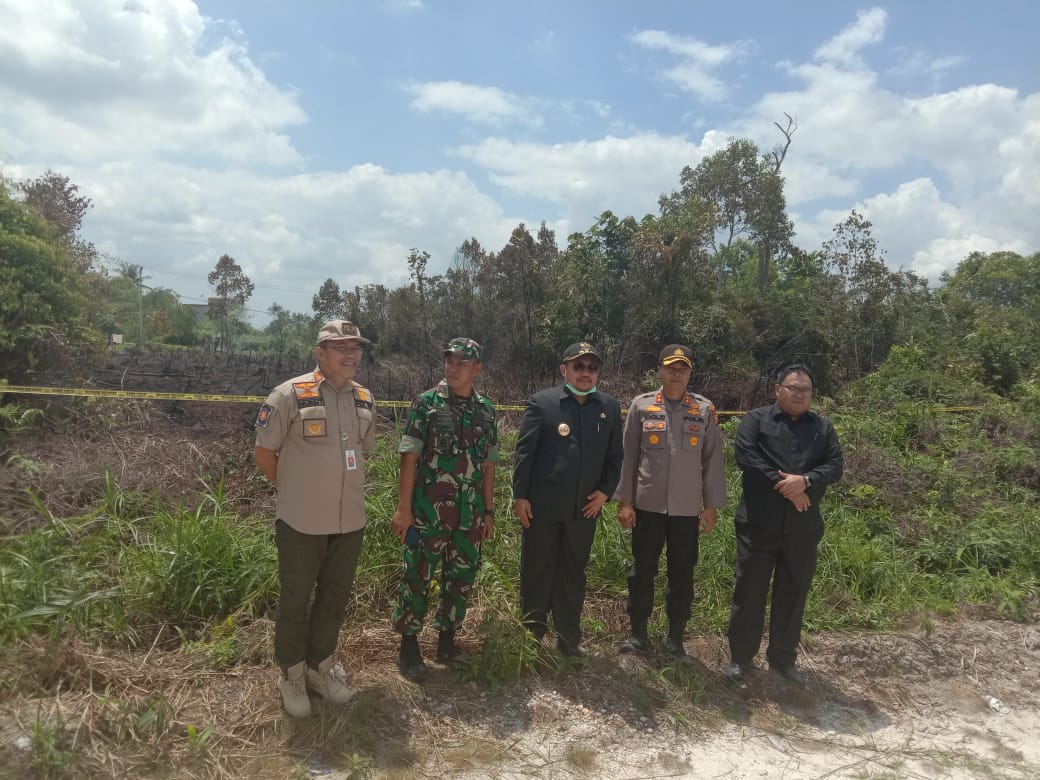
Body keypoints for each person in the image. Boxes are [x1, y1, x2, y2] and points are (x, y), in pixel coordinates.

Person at [253, 320, 376, 717]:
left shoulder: (364, 398)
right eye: (341, 348)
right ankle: (291, 675)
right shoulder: (289, 394)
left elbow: (361, 451)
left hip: (349, 521)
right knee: (295, 601)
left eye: (356, 348)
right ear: (320, 353)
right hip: (301, 522)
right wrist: (294, 491)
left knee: (334, 599)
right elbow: (264, 454)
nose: (351, 355)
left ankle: (320, 669)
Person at [724, 363, 844, 687]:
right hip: (758, 525)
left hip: (802, 527)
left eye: (806, 390)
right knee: (750, 592)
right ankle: (740, 658)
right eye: (793, 388)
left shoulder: (822, 428)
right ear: (778, 389)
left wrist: (806, 481)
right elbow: (747, 457)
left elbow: (835, 466)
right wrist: (788, 488)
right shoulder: (756, 420)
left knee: (793, 594)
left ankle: (783, 659)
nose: (799, 395)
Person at [390, 338, 498, 681]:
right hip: (428, 512)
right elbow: (409, 457)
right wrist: (403, 509)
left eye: (462, 363)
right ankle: (409, 647)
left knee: (461, 578)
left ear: (477, 369)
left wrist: (489, 511)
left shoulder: (486, 410)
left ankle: (447, 642)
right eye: (450, 361)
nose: (453, 368)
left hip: (470, 515)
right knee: (417, 577)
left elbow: (489, 465)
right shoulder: (426, 403)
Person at [614, 344, 727, 662]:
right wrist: (625, 501)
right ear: (660, 371)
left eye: (683, 368)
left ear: (690, 373)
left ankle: (675, 639)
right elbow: (628, 456)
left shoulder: (704, 409)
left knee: (682, 575)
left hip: (686, 511)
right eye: (671, 368)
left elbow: (713, 460)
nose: (677, 373)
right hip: (647, 507)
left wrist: (711, 506)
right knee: (642, 572)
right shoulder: (641, 405)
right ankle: (638, 635)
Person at [512, 342, 623, 657]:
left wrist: (605, 492)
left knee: (573, 574)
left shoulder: (609, 407)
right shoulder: (542, 403)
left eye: (592, 367)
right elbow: (524, 454)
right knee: (537, 571)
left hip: (583, 510)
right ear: (564, 370)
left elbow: (615, 457)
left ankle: (568, 640)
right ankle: (531, 639)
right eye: (579, 366)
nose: (586, 372)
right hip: (542, 508)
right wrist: (520, 496)